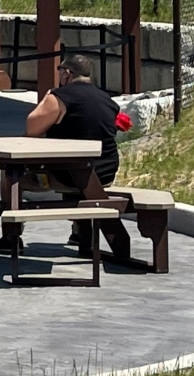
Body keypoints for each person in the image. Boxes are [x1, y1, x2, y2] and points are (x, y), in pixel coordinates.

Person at [24, 52, 132, 260]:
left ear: (67, 73)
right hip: (106, 172)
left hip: (69, 175)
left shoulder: (60, 97)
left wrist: (47, 97)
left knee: (12, 177)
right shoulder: (107, 99)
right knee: (77, 168)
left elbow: (31, 128)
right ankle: (78, 232)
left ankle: (10, 237)